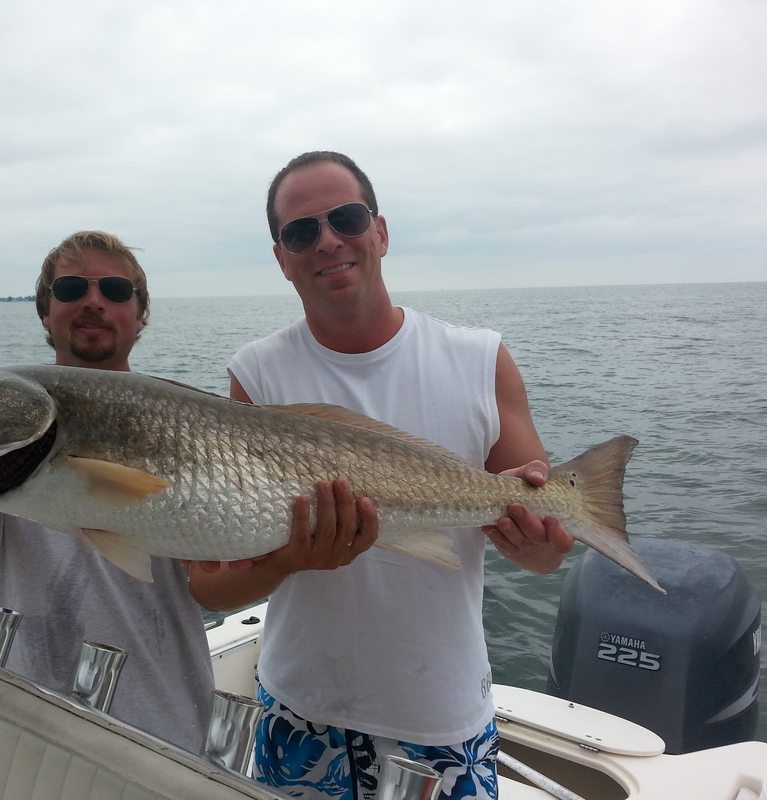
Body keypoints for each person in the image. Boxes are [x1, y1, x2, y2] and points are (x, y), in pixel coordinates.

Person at [188, 153, 575, 800]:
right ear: (282, 258)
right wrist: (289, 560)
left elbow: (544, 549)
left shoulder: (481, 360)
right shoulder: (256, 375)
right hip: (299, 712)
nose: (328, 241)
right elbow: (214, 584)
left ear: (381, 231)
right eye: (301, 232)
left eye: (346, 218)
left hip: (441, 720)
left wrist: (542, 540)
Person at [0, 231, 216, 751]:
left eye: (116, 290)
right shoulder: (1, 425)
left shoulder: (189, 424)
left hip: (165, 722)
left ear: (141, 315)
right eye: (72, 287)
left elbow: (216, 581)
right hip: (25, 724)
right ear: (45, 312)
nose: (94, 301)